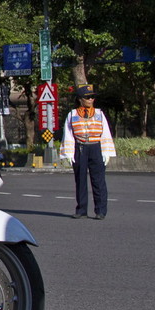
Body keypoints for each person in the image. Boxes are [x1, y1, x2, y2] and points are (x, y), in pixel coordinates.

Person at [61, 84, 115, 219]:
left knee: (99, 181)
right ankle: (81, 209)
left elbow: (106, 133)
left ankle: (101, 210)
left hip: (95, 147)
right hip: (80, 148)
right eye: (87, 97)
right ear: (80, 99)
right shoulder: (72, 114)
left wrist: (106, 152)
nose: (91, 100)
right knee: (80, 180)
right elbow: (68, 134)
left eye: (92, 97)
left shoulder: (99, 114)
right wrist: (69, 153)